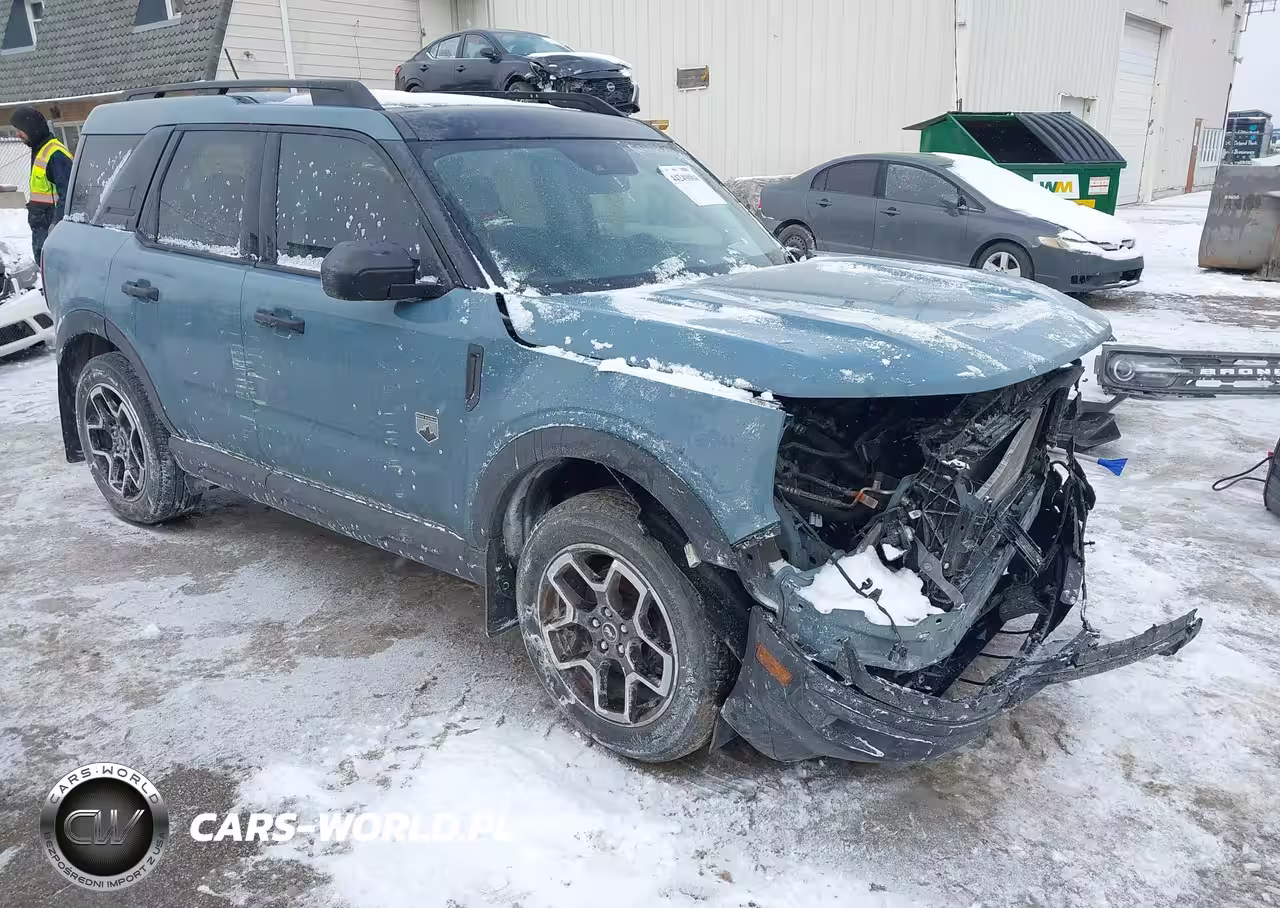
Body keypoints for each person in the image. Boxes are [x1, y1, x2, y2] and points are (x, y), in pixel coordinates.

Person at [9, 106, 72, 264]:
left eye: (20, 130)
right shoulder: (39, 149)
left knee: (56, 272)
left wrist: (57, 227)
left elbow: (69, 195)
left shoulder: (56, 154)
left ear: (31, 128)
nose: (18, 134)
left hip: (52, 230)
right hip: (42, 226)